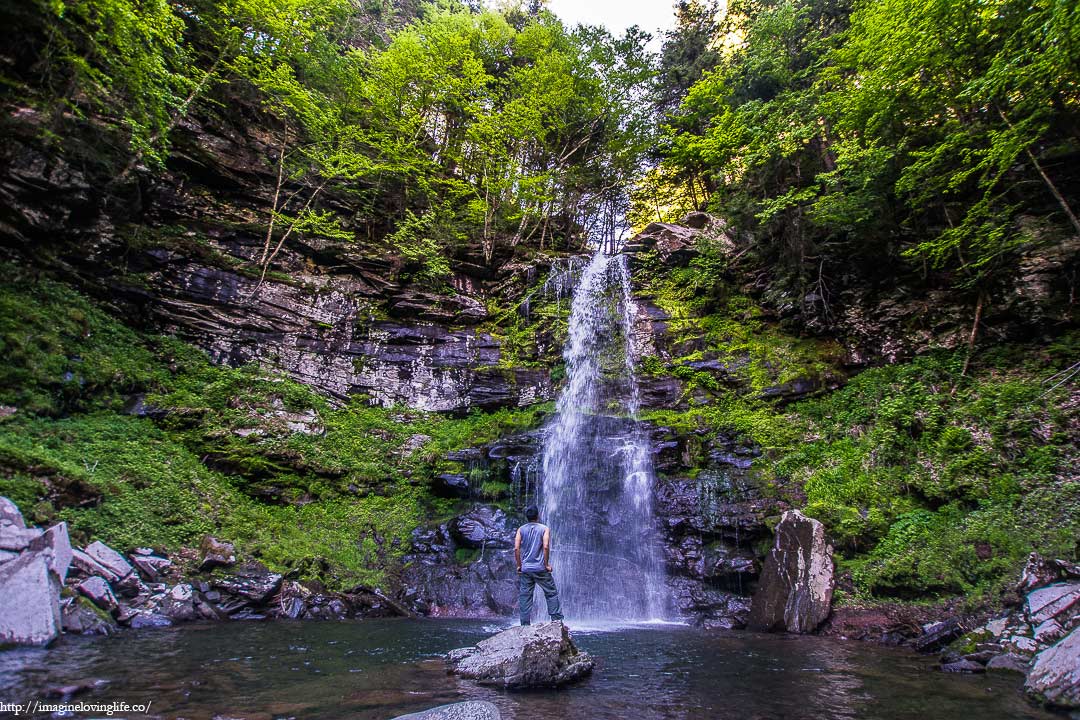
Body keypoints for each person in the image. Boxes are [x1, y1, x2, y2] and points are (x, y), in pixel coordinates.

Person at [514, 505, 564, 626]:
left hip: (526, 569)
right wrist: (546, 564)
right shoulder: (544, 528)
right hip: (541, 569)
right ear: (538, 515)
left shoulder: (521, 529)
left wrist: (519, 565)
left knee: (525, 596)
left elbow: (516, 548)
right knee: (551, 592)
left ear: (527, 516)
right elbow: (546, 546)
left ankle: (524, 624)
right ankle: (557, 622)